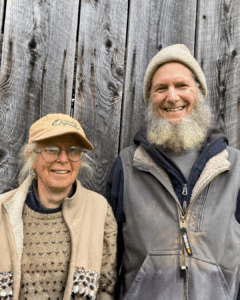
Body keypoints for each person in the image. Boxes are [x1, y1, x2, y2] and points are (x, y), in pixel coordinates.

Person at [106, 44, 240, 300]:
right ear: (149, 99)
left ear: (199, 93)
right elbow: (107, 260)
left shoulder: (235, 167)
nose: (172, 96)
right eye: (160, 88)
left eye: (181, 86)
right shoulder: (126, 165)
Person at [0, 113, 117, 300]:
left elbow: (106, 289)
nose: (63, 159)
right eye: (51, 149)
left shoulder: (99, 210)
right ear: (32, 156)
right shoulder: (3, 210)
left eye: (73, 150)